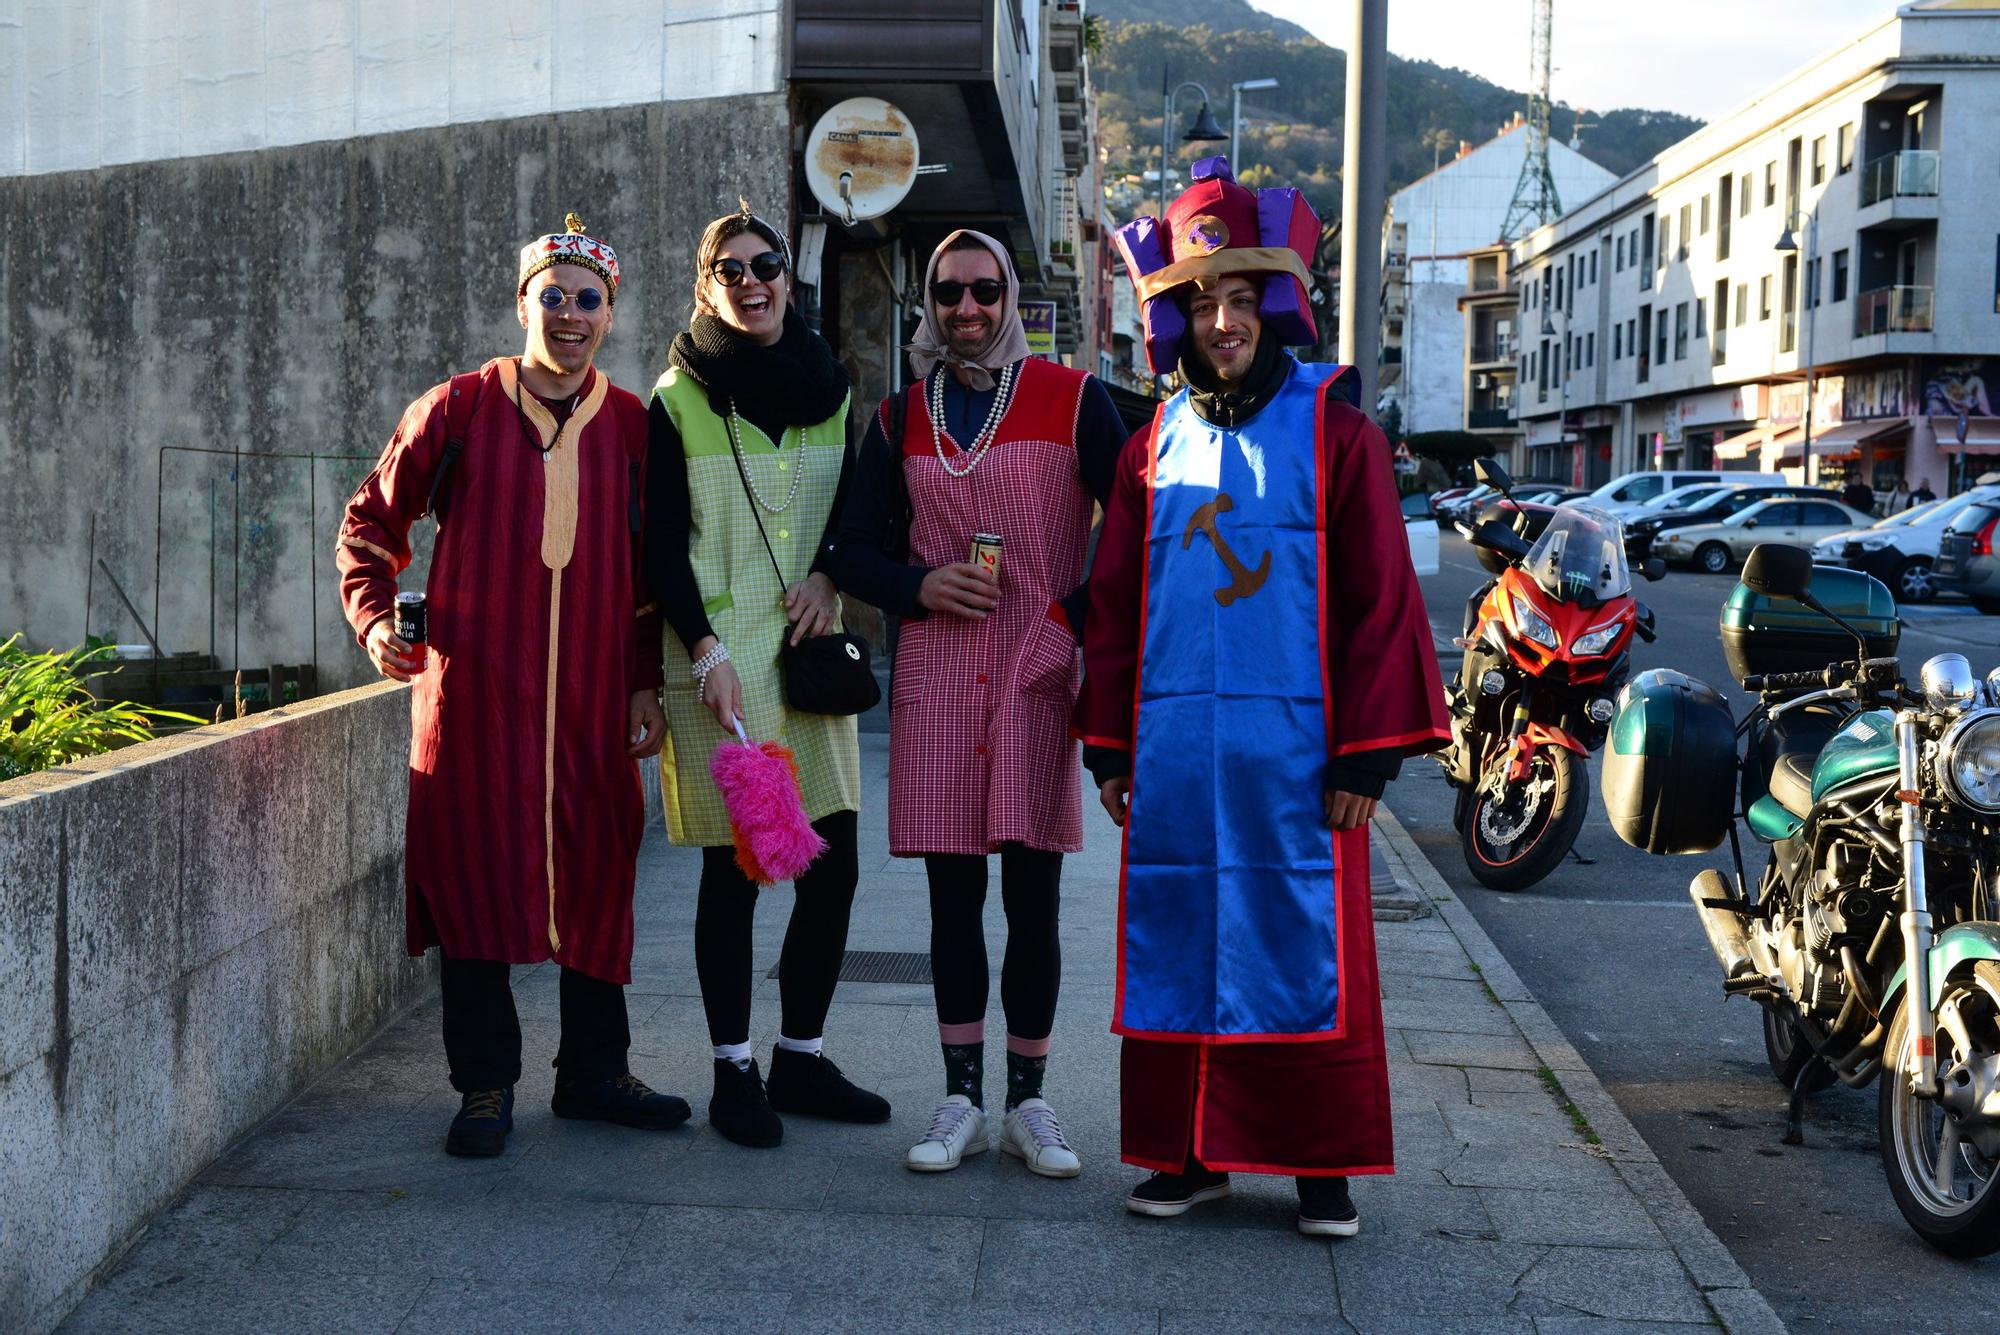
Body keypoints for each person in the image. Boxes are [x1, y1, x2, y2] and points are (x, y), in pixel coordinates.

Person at [1079, 158, 1449, 1236]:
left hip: (1302, 767)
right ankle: (1187, 1155)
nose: (1223, 323)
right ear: (1177, 320)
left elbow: (1379, 595)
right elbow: (1113, 604)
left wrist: (1366, 758)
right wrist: (1110, 749)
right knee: (1181, 939)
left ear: (1272, 304)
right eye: (1201, 304)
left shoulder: (1337, 429)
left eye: (1240, 301)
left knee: (1300, 949)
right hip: (1179, 763)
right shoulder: (1149, 448)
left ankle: (1316, 1165)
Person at [336, 214, 690, 1157]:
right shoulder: (454, 407)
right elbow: (370, 527)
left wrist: (642, 685)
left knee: (598, 873)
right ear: (523, 302)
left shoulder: (630, 426)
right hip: (473, 700)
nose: (569, 315)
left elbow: (651, 576)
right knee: (474, 878)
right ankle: (485, 1084)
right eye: (554, 296)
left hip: (588, 705)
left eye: (589, 300)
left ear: (609, 314)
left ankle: (594, 1073)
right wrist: (375, 622)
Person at [831, 229, 1128, 1178]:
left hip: (1038, 671)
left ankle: (1030, 1101)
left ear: (1009, 298)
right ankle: (961, 1094)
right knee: (952, 902)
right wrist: (918, 586)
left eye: (985, 291)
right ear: (929, 300)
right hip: (940, 678)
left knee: (1035, 897)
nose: (967, 309)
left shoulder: (1074, 399)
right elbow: (846, 549)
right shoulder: (897, 417)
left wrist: (1068, 619)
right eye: (950, 292)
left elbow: (1135, 528)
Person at [643, 203, 888, 1148]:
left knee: (833, 866)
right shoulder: (676, 399)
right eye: (729, 271)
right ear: (707, 287)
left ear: (789, 276)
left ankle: (801, 1053)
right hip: (719, 666)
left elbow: (853, 515)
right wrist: (701, 650)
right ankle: (733, 1068)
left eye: (764, 265)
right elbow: (660, 547)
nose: (750, 283)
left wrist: (831, 571)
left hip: (806, 654)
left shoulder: (833, 388)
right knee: (736, 872)